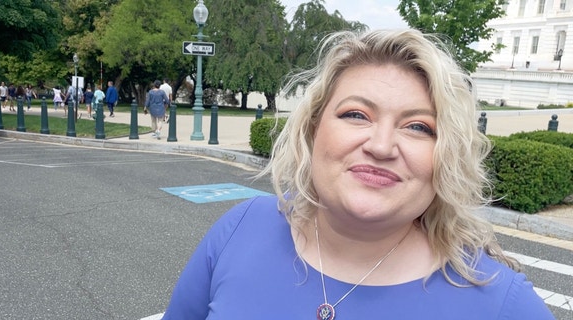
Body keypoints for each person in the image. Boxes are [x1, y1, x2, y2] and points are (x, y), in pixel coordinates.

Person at [161, 29, 555, 319]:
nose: (381, 146)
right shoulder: (240, 228)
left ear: (446, 157)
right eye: (355, 115)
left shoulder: (504, 304)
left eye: (418, 126)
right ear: (313, 129)